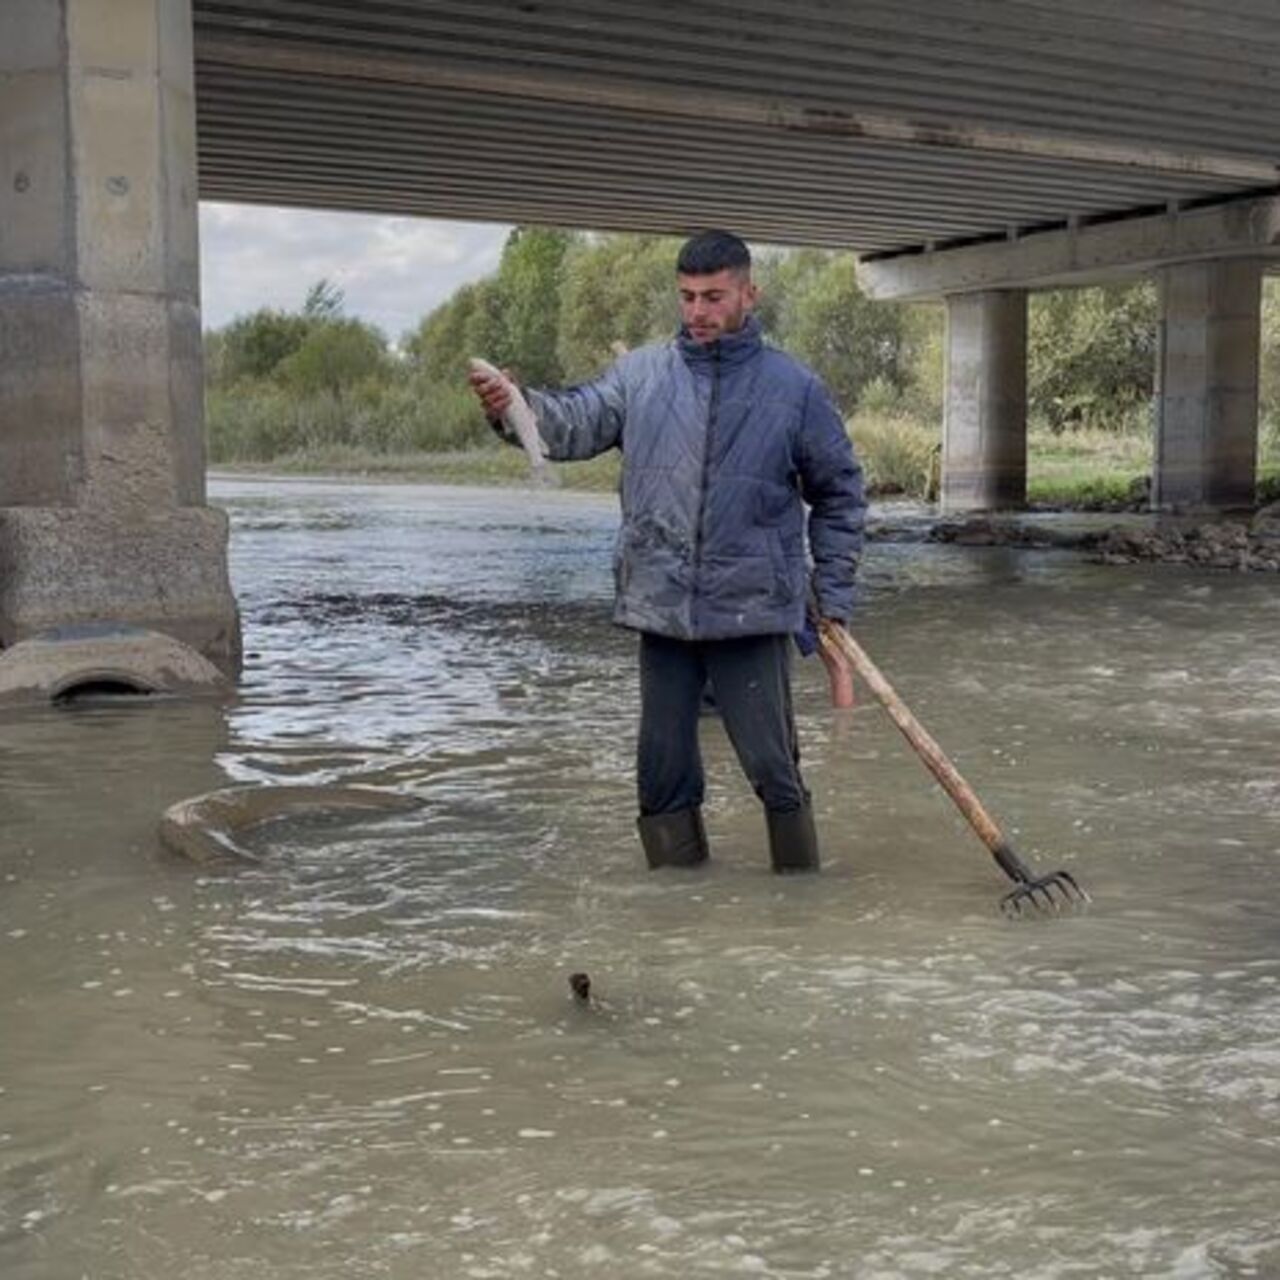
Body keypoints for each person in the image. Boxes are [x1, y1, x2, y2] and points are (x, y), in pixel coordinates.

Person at [468, 230, 865, 873]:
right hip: (661, 605)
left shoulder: (795, 389)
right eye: (687, 297)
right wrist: (515, 407)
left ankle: (799, 902)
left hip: (753, 611)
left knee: (775, 771)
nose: (699, 312)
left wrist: (832, 596)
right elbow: (571, 421)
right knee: (661, 777)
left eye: (713, 296)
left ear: (748, 293)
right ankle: (676, 911)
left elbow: (841, 495)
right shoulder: (640, 376)